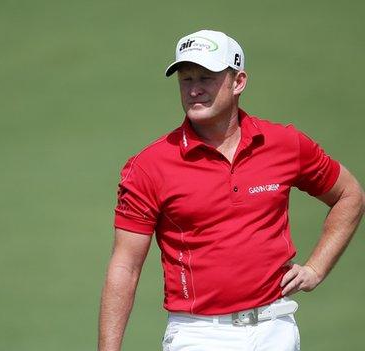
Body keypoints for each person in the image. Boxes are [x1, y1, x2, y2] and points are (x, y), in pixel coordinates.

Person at [98, 29, 364, 351]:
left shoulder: (284, 144)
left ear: (238, 82)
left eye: (206, 78)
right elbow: (125, 266)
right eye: (186, 79)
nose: (194, 90)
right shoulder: (149, 166)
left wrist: (317, 268)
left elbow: (349, 195)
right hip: (198, 335)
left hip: (275, 328)